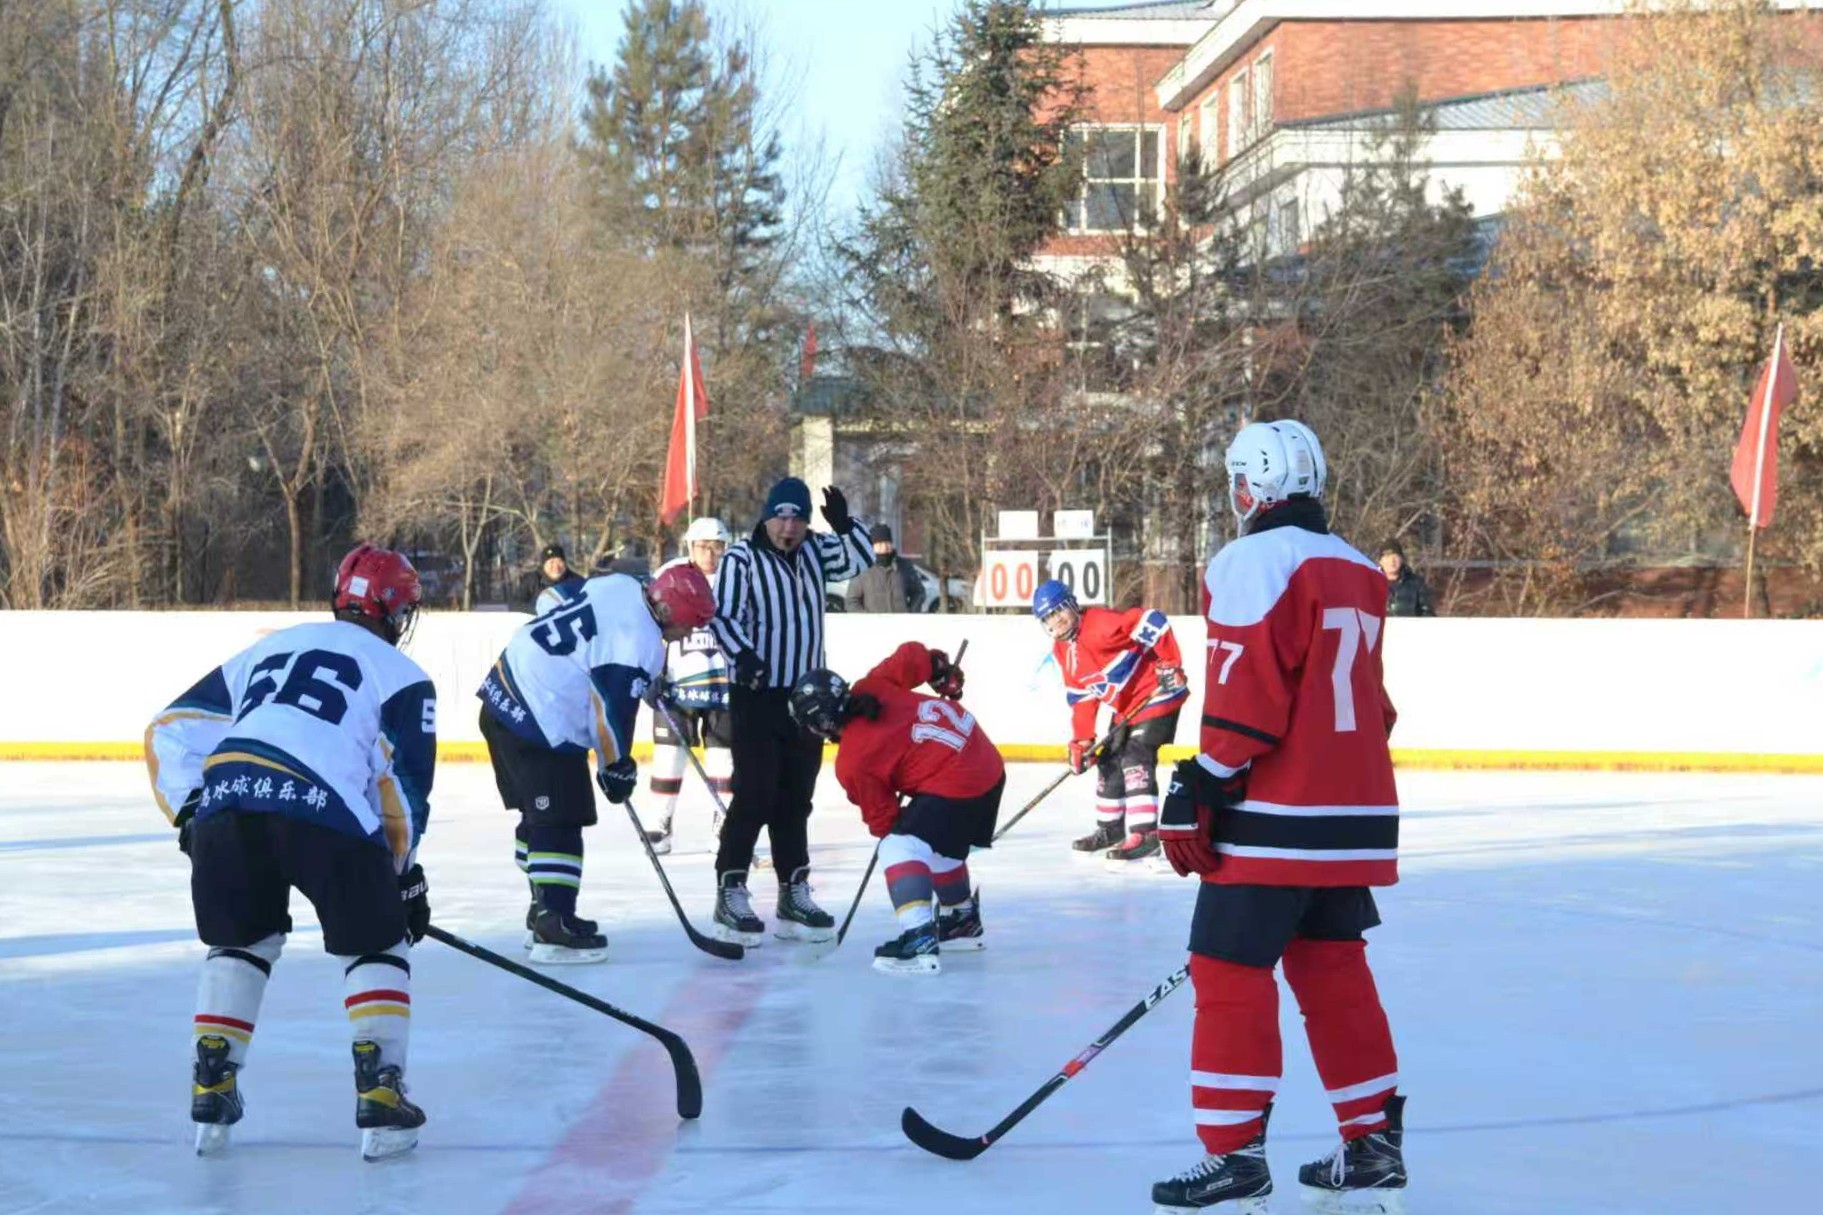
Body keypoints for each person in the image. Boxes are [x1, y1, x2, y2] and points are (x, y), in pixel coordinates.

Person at [1151, 419, 1405, 1213]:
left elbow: (1245, 694)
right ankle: (1370, 1145)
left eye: (1237, 482)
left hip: (1277, 817)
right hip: (1354, 812)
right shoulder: (1360, 567)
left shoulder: (1248, 560)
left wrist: (1201, 779)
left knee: (1228, 973)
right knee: (1333, 971)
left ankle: (1231, 1156)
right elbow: (1374, 705)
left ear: (1254, 487)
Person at [144, 543, 437, 1161]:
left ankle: (212, 1084)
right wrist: (402, 881)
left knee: (241, 942)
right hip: (325, 809)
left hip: (230, 799)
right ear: (393, 612)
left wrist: (194, 814)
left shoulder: (270, 646)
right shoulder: (403, 676)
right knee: (377, 944)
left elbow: (168, 727)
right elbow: (402, 798)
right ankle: (381, 1096)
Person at [477, 561, 715, 963]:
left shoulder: (622, 585)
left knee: (540, 816)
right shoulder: (638, 642)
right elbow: (610, 712)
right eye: (690, 624)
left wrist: (643, 679)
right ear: (671, 611)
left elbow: (555, 600)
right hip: (539, 716)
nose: (690, 633)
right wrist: (616, 766)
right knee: (562, 818)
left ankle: (544, 909)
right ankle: (554, 926)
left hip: (501, 692)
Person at [705, 475, 874, 946]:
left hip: (806, 699)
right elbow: (722, 617)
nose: (789, 526)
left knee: (796, 797)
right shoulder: (742, 558)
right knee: (755, 792)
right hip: (756, 692)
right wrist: (744, 656)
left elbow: (860, 556)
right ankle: (731, 887)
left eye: (798, 517)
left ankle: (793, 890)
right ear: (767, 516)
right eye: (781, 516)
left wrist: (846, 524)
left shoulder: (817, 550)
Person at [789, 642, 999, 976]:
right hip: (987, 764)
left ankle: (918, 941)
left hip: (958, 781)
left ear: (820, 724)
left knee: (899, 846)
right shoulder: (870, 685)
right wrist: (940, 671)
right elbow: (914, 655)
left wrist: (894, 813)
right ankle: (960, 921)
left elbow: (883, 821)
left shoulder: (852, 762)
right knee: (933, 838)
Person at [1032, 579, 1189, 863]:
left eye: (1058, 611)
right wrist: (1083, 740)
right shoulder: (1062, 651)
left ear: (1071, 604)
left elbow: (1153, 620)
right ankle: (1110, 829)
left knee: (1135, 754)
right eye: (1048, 618)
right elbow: (1082, 697)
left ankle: (1146, 834)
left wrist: (1171, 663)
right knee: (1108, 758)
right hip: (1128, 705)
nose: (1056, 621)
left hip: (1158, 690)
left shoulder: (1101, 624)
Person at [645, 517, 734, 854]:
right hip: (677, 683)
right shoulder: (670, 572)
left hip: (723, 684)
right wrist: (652, 670)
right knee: (669, 755)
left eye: (717, 546)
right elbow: (651, 624)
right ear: (689, 546)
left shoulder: (735, 578)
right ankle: (660, 824)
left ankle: (724, 824)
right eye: (703, 545)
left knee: (723, 758)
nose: (710, 553)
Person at [848, 523, 925, 612]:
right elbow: (851, 601)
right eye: (879, 544)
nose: (884, 547)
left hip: (901, 624)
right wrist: (866, 620)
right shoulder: (862, 568)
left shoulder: (904, 566)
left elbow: (919, 592)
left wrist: (912, 611)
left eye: (887, 543)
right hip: (873, 624)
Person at [1379, 540, 1435, 618]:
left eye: (1395, 556)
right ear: (1381, 561)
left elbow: (1428, 613)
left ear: (1402, 559)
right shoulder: (1371, 583)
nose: (1392, 561)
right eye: (1387, 557)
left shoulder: (1416, 583)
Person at [533, 542, 586, 614]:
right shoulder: (532, 581)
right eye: (551, 562)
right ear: (543, 565)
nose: (556, 567)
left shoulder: (577, 582)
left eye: (559, 562)